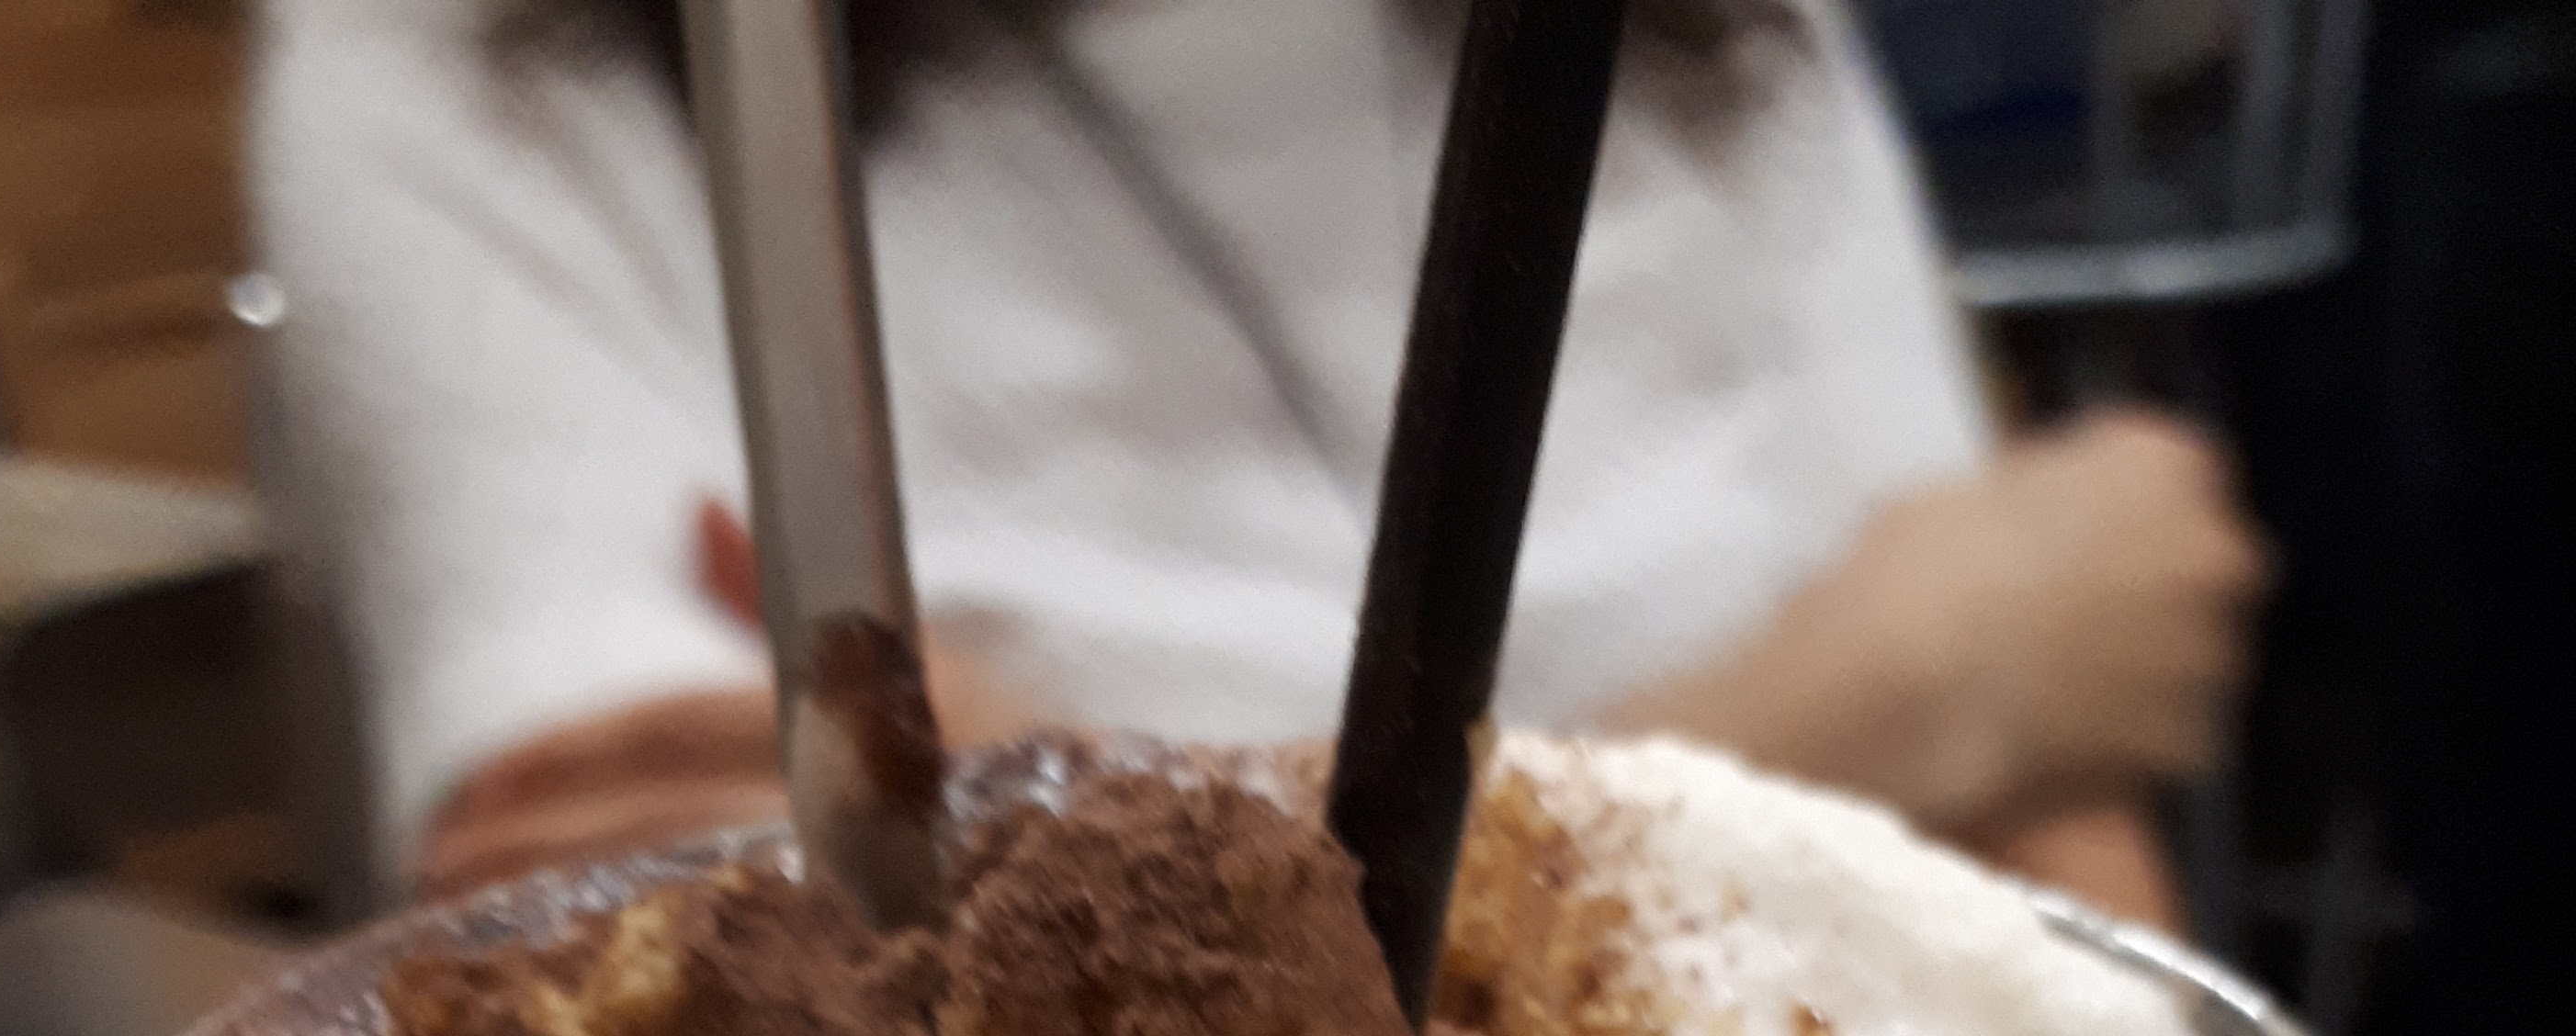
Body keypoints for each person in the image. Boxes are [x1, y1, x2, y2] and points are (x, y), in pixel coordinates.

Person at [254, 0, 2265, 927]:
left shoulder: (1705, 36)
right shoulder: (478, 66)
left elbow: (2068, 882)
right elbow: (680, 981)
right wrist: (1879, 702)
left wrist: (1090, 833)